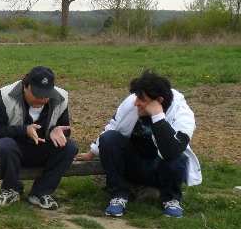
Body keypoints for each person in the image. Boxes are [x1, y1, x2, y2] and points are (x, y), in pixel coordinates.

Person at [77, 70, 201, 218]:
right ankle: (118, 195)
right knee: (109, 138)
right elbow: (113, 125)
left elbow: (171, 151)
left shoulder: (182, 114)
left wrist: (158, 116)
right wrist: (92, 152)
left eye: (141, 99)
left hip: (161, 168)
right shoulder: (132, 102)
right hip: (134, 163)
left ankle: (171, 198)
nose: (136, 102)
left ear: (159, 101)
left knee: (177, 155)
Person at [0, 66, 77, 209]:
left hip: (41, 149)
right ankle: (11, 190)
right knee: (4, 145)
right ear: (25, 86)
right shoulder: (7, 96)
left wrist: (55, 131)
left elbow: (64, 131)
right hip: (14, 149)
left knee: (70, 147)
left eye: (46, 95)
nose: (42, 99)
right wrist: (24, 130)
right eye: (37, 94)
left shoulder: (61, 98)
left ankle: (40, 193)